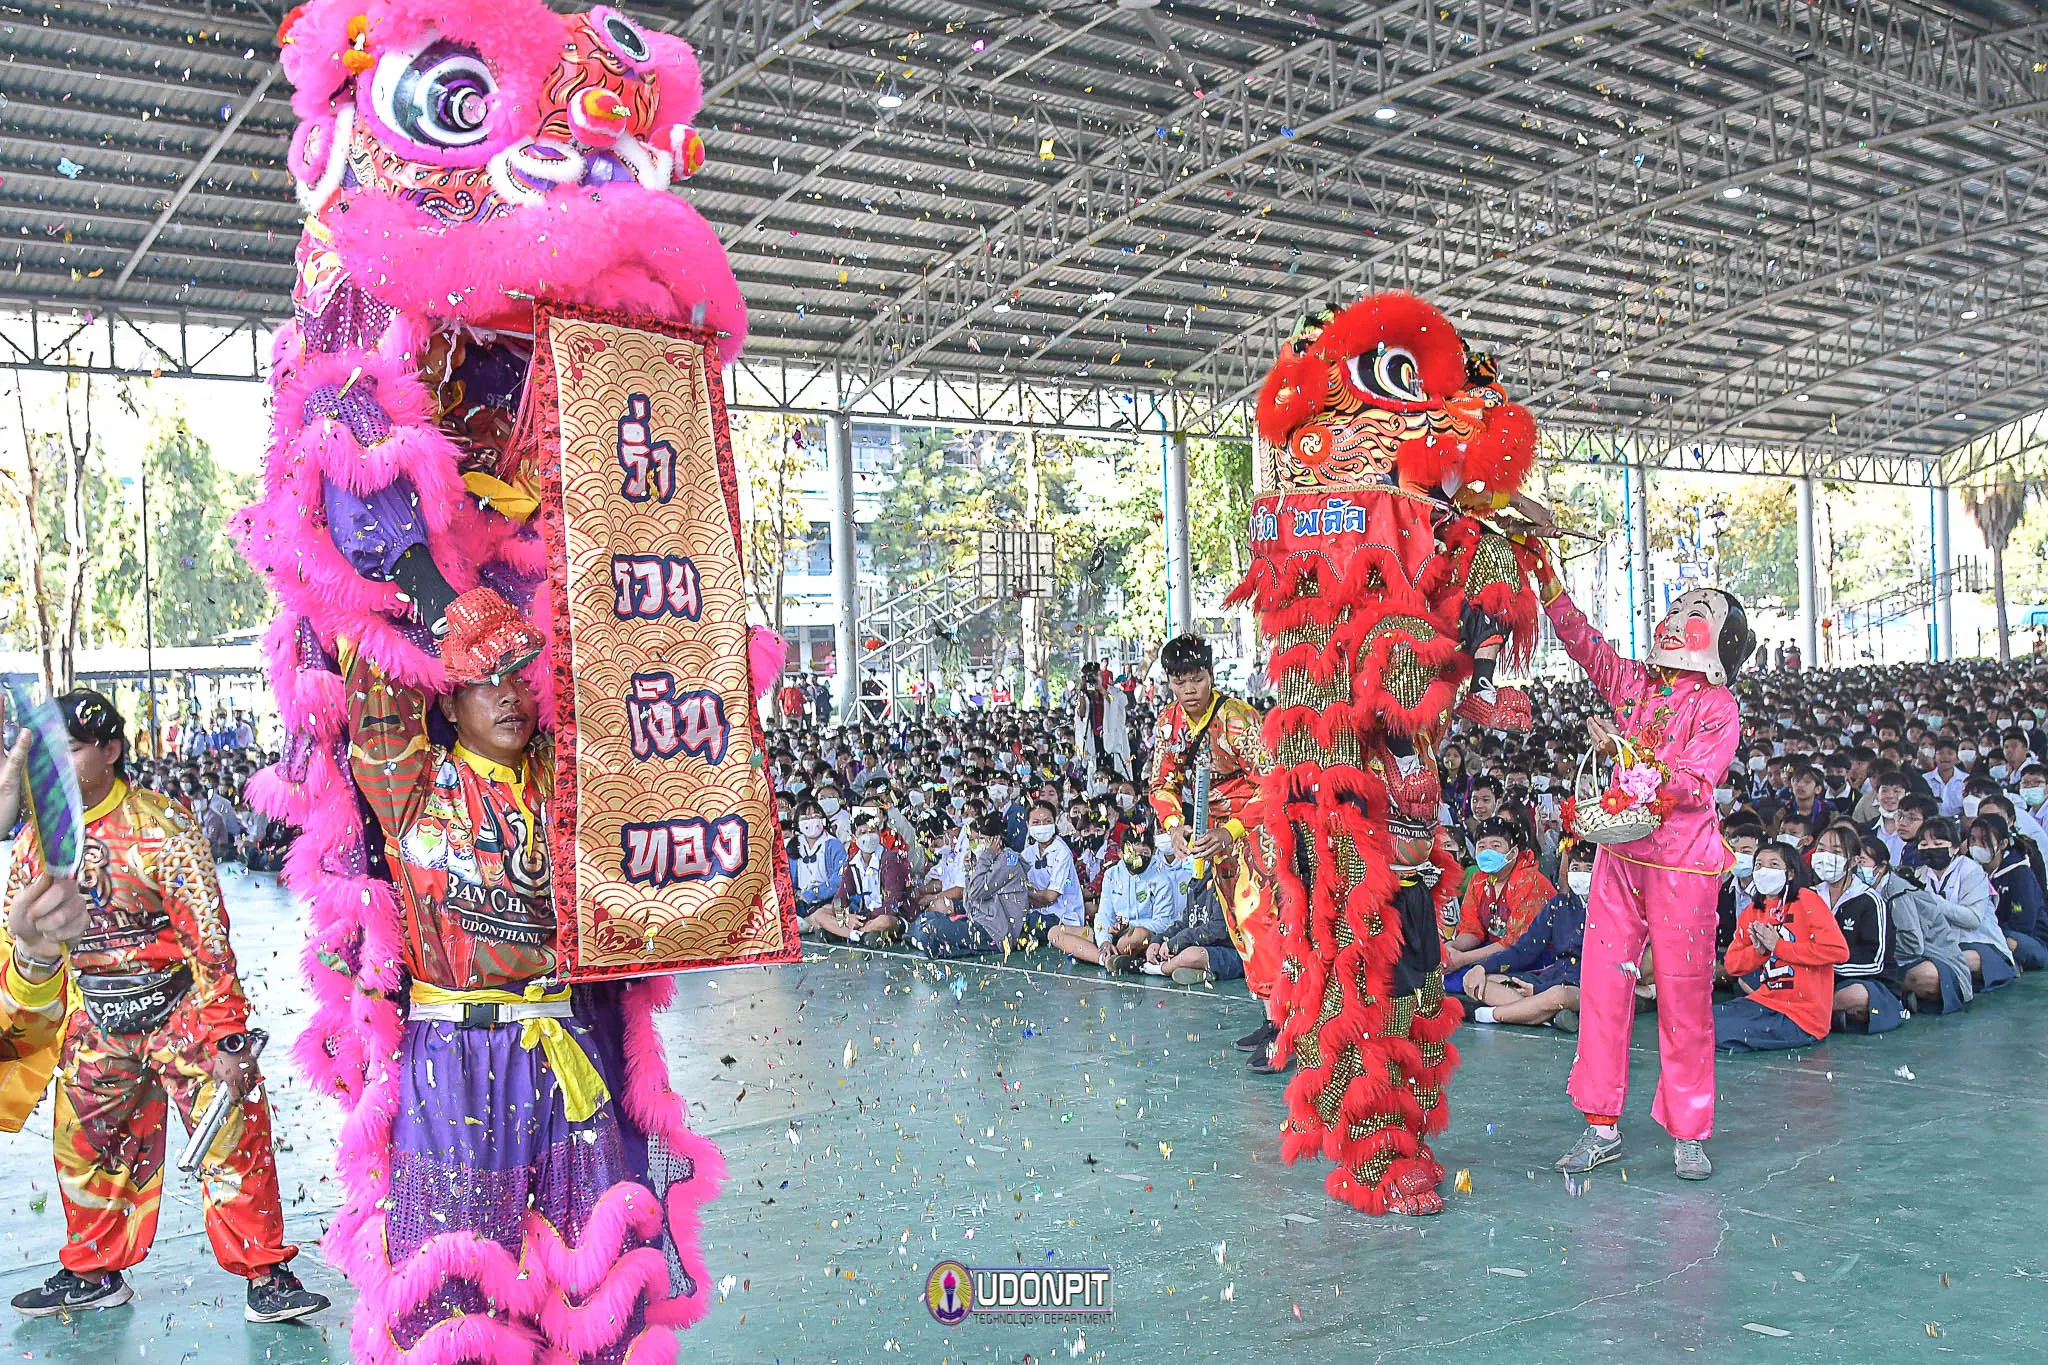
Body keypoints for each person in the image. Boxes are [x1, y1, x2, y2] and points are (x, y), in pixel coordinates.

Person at [342, 588, 701, 1349]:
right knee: (454, 1265)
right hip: (455, 1062)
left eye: (518, 675)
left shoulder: (568, 780)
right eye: (484, 679)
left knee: (592, 1262)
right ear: (450, 696)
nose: (508, 693)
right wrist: (415, 592)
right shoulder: (413, 786)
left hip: (568, 1049)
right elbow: (373, 669)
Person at [8, 691, 326, 1322]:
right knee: (84, 1145)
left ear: (110, 750)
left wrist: (230, 1038)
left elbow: (207, 942)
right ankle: (94, 1270)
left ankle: (266, 1273)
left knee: (232, 1139)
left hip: (181, 1015)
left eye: (68, 750)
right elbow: (27, 948)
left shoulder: (164, 828)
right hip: (95, 1020)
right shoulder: (35, 844)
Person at [1536, 541, 1753, 1183]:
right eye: (1682, 602)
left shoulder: (1718, 706)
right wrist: (1549, 583)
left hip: (1682, 867)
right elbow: (1587, 645)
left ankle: (1689, 1129)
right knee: (1603, 988)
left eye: (1696, 607)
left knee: (1684, 996)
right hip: (1620, 856)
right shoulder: (1638, 685)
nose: (1679, 610)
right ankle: (1600, 1125)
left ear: (1718, 641)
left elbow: (1692, 782)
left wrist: (1627, 750)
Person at [1144, 634, 1280, 1057]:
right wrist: (1174, 824)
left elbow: (1273, 783)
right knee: (1239, 930)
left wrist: (1233, 830)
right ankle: (1269, 1017)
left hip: (1255, 836)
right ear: (1169, 682)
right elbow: (1161, 783)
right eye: (1180, 682)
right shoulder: (1169, 724)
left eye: (1197, 680)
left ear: (1211, 677)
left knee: (1260, 924)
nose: (1189, 690)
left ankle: (1286, 1026)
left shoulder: (1239, 719)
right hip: (1210, 840)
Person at [1715, 844, 1849, 1051]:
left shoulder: (1807, 899)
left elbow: (1838, 951)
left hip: (1802, 1017)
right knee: (1698, 1020)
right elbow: (1732, 966)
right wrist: (1758, 952)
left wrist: (1779, 947)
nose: (1764, 870)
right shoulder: (1752, 912)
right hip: (1764, 1003)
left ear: (1790, 873)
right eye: (1758, 865)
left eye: (1774, 864)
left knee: (1716, 1031)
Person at [1462, 838, 1589, 1029]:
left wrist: (1539, 990)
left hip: (1581, 987)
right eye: (1575, 868)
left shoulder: (1610, 909)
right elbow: (1524, 948)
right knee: (1478, 981)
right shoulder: (1559, 905)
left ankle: (1486, 1015)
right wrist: (1483, 967)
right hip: (1552, 978)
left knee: (1558, 995)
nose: (1581, 875)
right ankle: (1548, 1017)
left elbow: (1600, 967)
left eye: (1588, 869)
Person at [906, 812, 1052, 957]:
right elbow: (969, 901)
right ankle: (921, 940)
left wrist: (986, 857)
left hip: (995, 933)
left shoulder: (1008, 861)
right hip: (979, 923)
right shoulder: (985, 860)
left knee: (931, 930)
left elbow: (977, 891)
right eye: (972, 841)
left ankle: (920, 939)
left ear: (996, 840)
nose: (975, 845)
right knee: (928, 918)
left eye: (981, 839)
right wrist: (970, 869)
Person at [1052, 819, 1185, 972]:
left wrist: (1129, 926)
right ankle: (1105, 958)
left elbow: (1163, 923)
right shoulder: (1111, 875)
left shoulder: (1162, 878)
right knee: (1055, 933)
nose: (1138, 857)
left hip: (1139, 935)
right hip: (1111, 932)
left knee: (1135, 936)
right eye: (1132, 852)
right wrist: (1104, 940)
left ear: (1152, 853)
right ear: (1121, 853)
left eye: (1144, 853)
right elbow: (1104, 914)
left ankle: (1109, 956)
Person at [1442, 817, 1553, 991]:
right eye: (1481, 846)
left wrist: (1462, 959)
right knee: (1447, 975)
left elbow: (1516, 944)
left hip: (1530, 955)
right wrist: (1452, 948)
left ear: (1513, 852)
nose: (1487, 852)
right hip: (1493, 948)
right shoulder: (1478, 880)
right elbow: (1472, 930)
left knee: (1483, 980)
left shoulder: (1529, 881)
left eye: (1496, 846)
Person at [1816, 826, 1905, 1035]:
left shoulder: (1870, 900)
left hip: (1862, 979)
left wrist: (1823, 964)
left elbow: (1875, 960)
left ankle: (1808, 1011)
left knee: (1856, 996)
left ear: (1855, 860)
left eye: (1836, 852)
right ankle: (1826, 1014)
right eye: (1821, 850)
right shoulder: (1809, 895)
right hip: (1816, 979)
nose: (1826, 857)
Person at [1916, 818, 2014, 992]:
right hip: (1940, 944)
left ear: (1954, 847)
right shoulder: (1920, 874)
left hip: (1979, 942)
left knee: (1948, 963)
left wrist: (1935, 903)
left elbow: (1972, 919)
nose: (1930, 848)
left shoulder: (1971, 871)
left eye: (1938, 843)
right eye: (1924, 844)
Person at [789, 798, 848, 932]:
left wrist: (812, 894)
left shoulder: (833, 845)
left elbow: (839, 880)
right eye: (805, 817)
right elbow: (786, 880)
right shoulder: (793, 846)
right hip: (800, 902)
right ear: (798, 823)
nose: (810, 820)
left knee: (827, 913)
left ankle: (814, 924)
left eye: (815, 816)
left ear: (823, 820)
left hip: (828, 899)